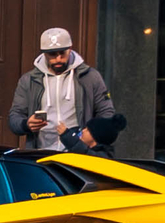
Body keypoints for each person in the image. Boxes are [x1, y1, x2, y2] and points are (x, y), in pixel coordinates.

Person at [7, 27, 125, 155]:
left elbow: (106, 112)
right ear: (44, 53)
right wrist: (26, 124)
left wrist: (92, 136)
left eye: (62, 53)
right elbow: (14, 117)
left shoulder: (90, 77)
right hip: (41, 153)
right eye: (52, 54)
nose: (58, 59)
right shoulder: (28, 80)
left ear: (70, 49)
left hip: (79, 154)